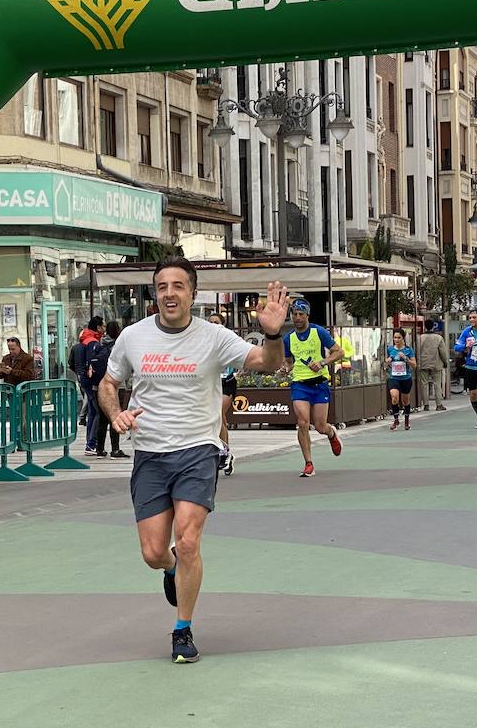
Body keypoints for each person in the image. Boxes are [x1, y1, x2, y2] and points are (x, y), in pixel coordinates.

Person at [97, 258, 289, 663]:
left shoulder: (214, 337)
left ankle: (182, 630)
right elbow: (109, 382)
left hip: (198, 450)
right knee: (154, 553)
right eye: (162, 286)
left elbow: (268, 364)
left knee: (187, 540)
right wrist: (115, 413)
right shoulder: (133, 337)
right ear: (155, 294)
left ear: (192, 293)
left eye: (178, 286)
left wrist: (273, 334)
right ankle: (169, 571)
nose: (169, 293)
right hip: (149, 451)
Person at [279, 299, 344, 478]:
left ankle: (331, 434)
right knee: (302, 422)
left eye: (301, 314)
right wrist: (286, 369)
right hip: (300, 383)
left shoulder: (318, 332)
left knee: (320, 426)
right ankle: (308, 463)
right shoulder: (288, 338)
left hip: (319, 383)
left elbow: (339, 352)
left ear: (307, 315)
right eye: (294, 314)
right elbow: (290, 362)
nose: (297, 318)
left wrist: (322, 362)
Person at [91, 322, 128, 459]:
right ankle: (115, 449)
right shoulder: (118, 345)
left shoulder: (99, 344)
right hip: (116, 386)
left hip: (98, 386)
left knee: (101, 419)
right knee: (115, 416)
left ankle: (99, 449)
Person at [73, 317, 107, 453]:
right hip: (91, 381)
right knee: (98, 411)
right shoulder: (93, 342)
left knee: (93, 411)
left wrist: (80, 375)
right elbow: (93, 364)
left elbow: (73, 362)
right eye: (103, 326)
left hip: (84, 380)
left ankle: (91, 443)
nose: (104, 329)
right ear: (98, 327)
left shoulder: (83, 341)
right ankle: (92, 444)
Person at [209, 313, 236, 476]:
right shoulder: (203, 341)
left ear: (223, 324)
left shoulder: (227, 340)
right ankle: (225, 452)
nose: (213, 325)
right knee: (218, 420)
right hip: (211, 384)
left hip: (226, 383)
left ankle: (224, 452)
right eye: (210, 322)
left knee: (218, 415)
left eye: (216, 322)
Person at [384, 328, 416, 431]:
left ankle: (406, 420)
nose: (396, 340)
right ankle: (396, 419)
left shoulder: (408, 350)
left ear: (403, 338)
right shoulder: (389, 349)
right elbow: (385, 363)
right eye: (395, 338)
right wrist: (387, 361)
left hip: (405, 378)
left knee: (405, 400)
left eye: (399, 338)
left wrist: (406, 359)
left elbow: (414, 365)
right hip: (393, 377)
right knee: (394, 397)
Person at [416, 321, 449, 412]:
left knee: (424, 384)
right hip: (436, 363)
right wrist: (445, 362)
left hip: (423, 363)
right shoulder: (438, 338)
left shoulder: (420, 338)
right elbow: (443, 352)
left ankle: (426, 405)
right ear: (433, 327)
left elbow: (417, 351)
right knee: (437, 384)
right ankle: (439, 404)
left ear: (424, 326)